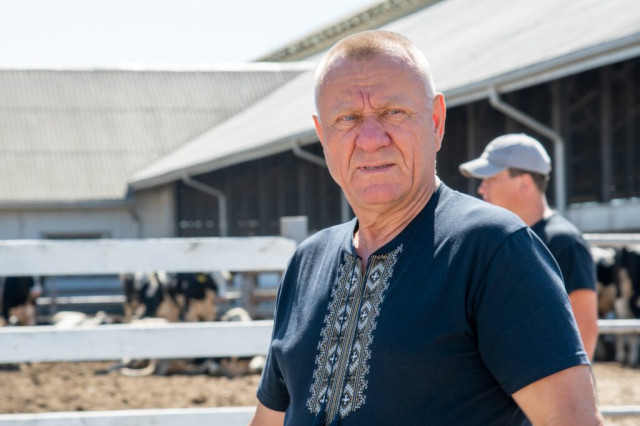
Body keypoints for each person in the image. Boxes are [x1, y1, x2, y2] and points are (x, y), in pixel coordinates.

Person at [250, 30, 602, 425]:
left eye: (393, 112)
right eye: (347, 118)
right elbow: (269, 420)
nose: (370, 139)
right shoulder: (306, 263)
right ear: (322, 136)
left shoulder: (492, 249)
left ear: (436, 121)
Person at [459, 134, 599, 360]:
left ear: (524, 183)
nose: (481, 188)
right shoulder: (500, 239)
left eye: (490, 178)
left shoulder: (564, 242)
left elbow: (585, 328)